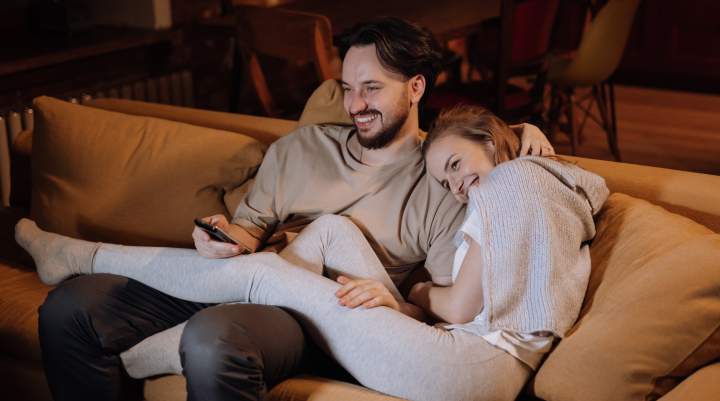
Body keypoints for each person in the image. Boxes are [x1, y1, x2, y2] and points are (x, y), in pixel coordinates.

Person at [29, 17, 556, 401]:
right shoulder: (303, 148)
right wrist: (219, 234)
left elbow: (443, 316)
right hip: (235, 279)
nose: (356, 105)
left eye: (372, 88)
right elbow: (249, 231)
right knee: (71, 308)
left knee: (216, 340)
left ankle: (90, 261)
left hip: (307, 319)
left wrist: (521, 135)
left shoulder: (441, 183)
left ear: (415, 87)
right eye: (348, 89)